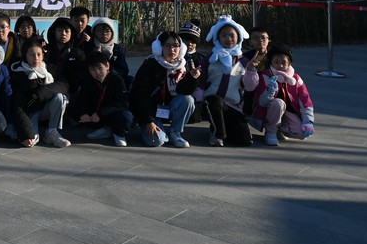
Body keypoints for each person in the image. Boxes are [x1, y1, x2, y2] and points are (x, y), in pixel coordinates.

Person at [130, 31, 200, 148]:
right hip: (151, 111)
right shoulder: (149, 65)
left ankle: (175, 133)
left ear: (181, 48)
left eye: (175, 46)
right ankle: (153, 129)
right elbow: (141, 95)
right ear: (159, 47)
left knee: (188, 100)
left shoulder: (183, 64)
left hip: (169, 108)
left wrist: (192, 78)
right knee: (156, 141)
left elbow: (184, 92)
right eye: (167, 45)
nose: (172, 49)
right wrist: (148, 121)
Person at [197, 15, 253, 147]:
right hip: (213, 101)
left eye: (232, 35)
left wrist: (251, 71)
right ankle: (217, 134)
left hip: (234, 104)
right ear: (217, 38)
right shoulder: (211, 58)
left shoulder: (244, 61)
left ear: (238, 37)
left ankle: (224, 128)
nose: (228, 39)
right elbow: (202, 79)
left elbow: (250, 86)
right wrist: (198, 98)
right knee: (215, 102)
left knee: (244, 140)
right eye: (224, 35)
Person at [247, 44, 316, 146]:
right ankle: (270, 132)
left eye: (284, 62)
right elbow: (261, 102)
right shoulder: (265, 76)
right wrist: (270, 92)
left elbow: (305, 101)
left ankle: (279, 129)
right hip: (267, 112)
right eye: (276, 62)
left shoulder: (296, 79)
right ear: (271, 62)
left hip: (288, 113)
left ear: (289, 63)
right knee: (278, 103)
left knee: (302, 132)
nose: (281, 65)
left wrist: (308, 121)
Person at [10, 38, 70, 148]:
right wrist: (26, 134)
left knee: (60, 97)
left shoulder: (49, 69)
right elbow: (19, 106)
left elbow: (63, 84)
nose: (36, 58)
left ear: (43, 55)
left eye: (39, 54)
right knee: (30, 141)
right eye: (31, 55)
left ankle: (51, 132)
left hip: (46, 108)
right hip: (29, 112)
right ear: (25, 56)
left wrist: (43, 92)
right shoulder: (19, 73)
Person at [73, 51, 133, 147]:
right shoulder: (88, 80)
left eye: (100, 68)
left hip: (110, 113)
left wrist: (101, 113)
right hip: (95, 115)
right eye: (93, 69)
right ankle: (105, 129)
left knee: (126, 117)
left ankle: (118, 133)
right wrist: (83, 113)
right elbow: (82, 99)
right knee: (73, 110)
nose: (97, 72)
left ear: (107, 66)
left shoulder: (116, 79)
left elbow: (123, 102)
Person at [46, 17, 86, 98]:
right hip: (47, 89)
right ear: (54, 32)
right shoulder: (45, 51)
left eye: (67, 31)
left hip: (70, 93)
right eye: (60, 30)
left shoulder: (77, 53)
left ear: (71, 33)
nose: (63, 33)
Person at [87, 17, 130, 85]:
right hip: (93, 82)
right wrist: (96, 56)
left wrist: (109, 76)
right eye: (100, 30)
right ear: (94, 32)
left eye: (107, 30)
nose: (104, 33)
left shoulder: (117, 49)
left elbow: (124, 70)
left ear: (112, 33)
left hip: (113, 82)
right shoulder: (89, 47)